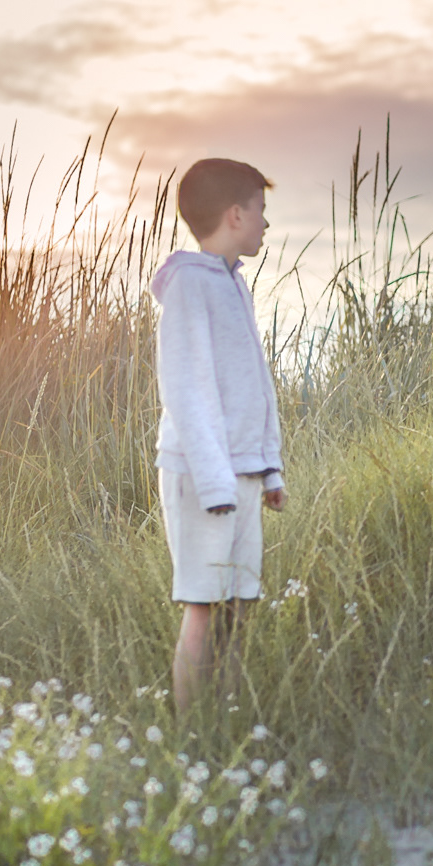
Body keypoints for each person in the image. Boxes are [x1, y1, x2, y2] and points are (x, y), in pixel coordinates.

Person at [151, 158, 286, 712]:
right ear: (235, 214)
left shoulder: (234, 285)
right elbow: (187, 392)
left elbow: (256, 384)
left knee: (237, 605)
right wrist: (215, 486)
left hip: (243, 473)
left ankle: (224, 723)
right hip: (205, 479)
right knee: (204, 608)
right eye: (260, 212)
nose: (265, 224)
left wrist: (269, 467)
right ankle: (188, 739)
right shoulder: (189, 286)